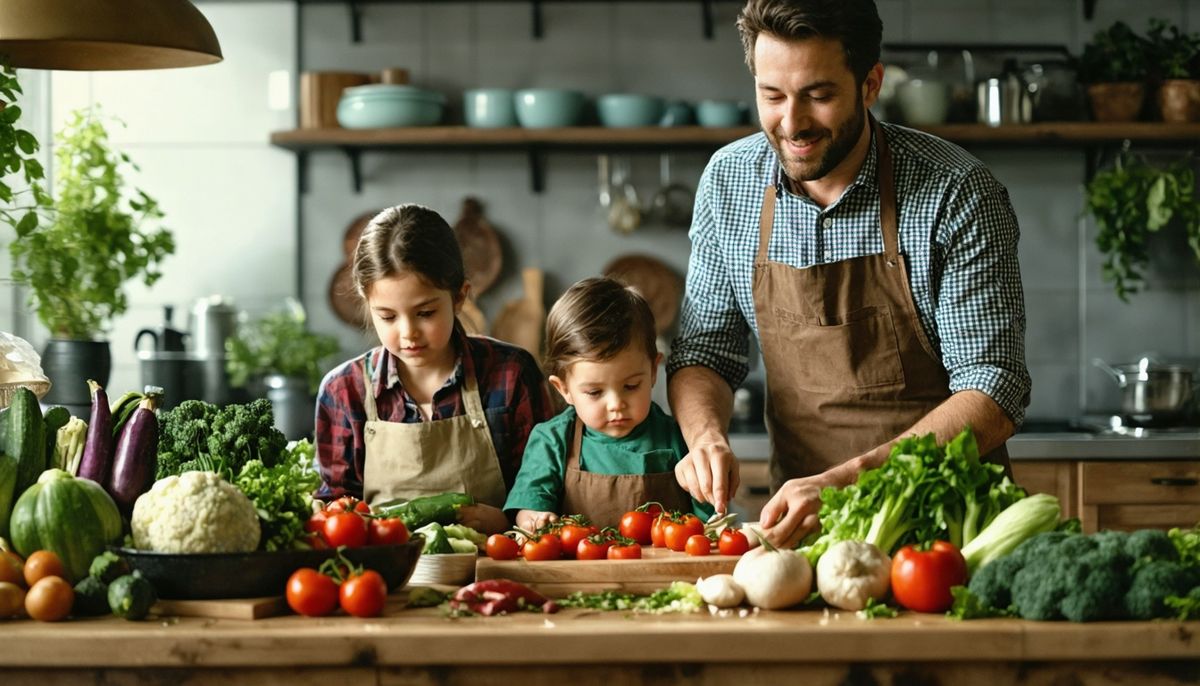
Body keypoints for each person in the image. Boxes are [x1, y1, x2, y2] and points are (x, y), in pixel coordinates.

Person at [667, 0, 1031, 546]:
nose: (792, 124)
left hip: (946, 533)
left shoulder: (956, 191)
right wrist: (704, 437)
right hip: (798, 533)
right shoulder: (729, 182)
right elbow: (704, 353)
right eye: (772, 96)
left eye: (818, 95)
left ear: (869, 84)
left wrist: (844, 484)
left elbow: (993, 389)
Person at [314, 204, 553, 534]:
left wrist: (508, 519)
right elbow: (334, 513)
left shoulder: (511, 375)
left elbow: (544, 488)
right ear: (366, 303)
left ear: (459, 297)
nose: (408, 332)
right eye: (387, 316)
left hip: (494, 571)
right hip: (383, 578)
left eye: (425, 313)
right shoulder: (344, 391)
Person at [505, 277, 715, 532]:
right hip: (578, 572)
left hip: (663, 571)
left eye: (631, 386)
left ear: (652, 371)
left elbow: (709, 522)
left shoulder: (678, 436)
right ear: (564, 389)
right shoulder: (551, 441)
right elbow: (528, 507)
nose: (616, 404)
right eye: (594, 392)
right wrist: (535, 518)